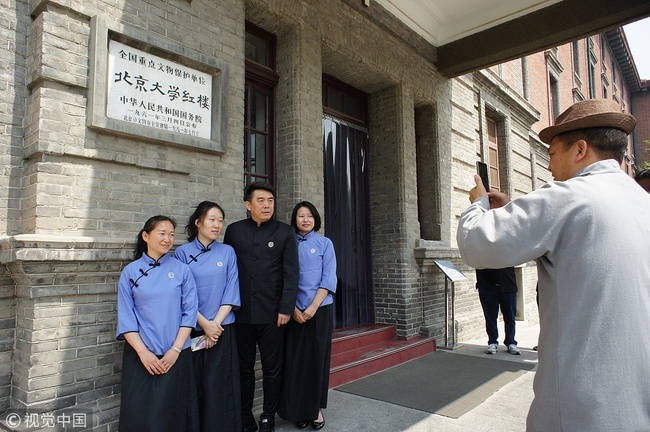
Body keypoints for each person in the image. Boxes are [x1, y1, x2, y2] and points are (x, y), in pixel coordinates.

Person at [456, 99, 650, 432]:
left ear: (579, 150)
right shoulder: (642, 203)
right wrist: (516, 209)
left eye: (552, 154)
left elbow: (477, 243)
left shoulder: (565, 197)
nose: (549, 167)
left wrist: (477, 203)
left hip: (582, 407)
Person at [224, 182, 299, 432]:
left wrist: (286, 308)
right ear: (248, 205)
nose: (267, 205)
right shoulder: (234, 231)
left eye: (270, 200)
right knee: (244, 368)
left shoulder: (285, 232)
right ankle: (245, 416)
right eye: (260, 200)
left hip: (273, 314)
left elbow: (291, 273)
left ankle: (268, 415)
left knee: (272, 368)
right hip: (241, 313)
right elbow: (229, 271)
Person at [116, 215, 199, 432]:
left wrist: (175, 349)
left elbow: (189, 313)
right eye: (162, 233)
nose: (167, 239)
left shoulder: (182, 270)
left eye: (171, 234)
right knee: (139, 413)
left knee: (176, 414)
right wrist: (144, 353)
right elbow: (126, 319)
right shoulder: (131, 272)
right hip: (141, 356)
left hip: (176, 355)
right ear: (146, 236)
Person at [174, 201, 242, 431]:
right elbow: (184, 295)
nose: (217, 225)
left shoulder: (227, 251)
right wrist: (204, 325)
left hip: (223, 328)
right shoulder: (182, 253)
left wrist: (215, 326)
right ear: (198, 222)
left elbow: (231, 291)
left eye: (220, 220)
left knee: (220, 385)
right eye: (212, 219)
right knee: (195, 385)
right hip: (192, 328)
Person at [278, 201, 337, 430]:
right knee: (295, 362)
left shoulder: (324, 244)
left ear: (315, 219)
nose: (305, 219)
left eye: (309, 215)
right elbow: (283, 278)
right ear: (294, 219)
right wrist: (292, 309)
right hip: (293, 312)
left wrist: (313, 307)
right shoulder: (288, 243)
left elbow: (328, 277)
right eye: (301, 215)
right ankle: (298, 411)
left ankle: (315, 410)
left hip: (319, 310)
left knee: (316, 361)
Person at [475, 267, 520, 355]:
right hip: (488, 286)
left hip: (508, 285)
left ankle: (511, 342)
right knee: (490, 317)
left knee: (510, 316)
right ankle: (492, 342)